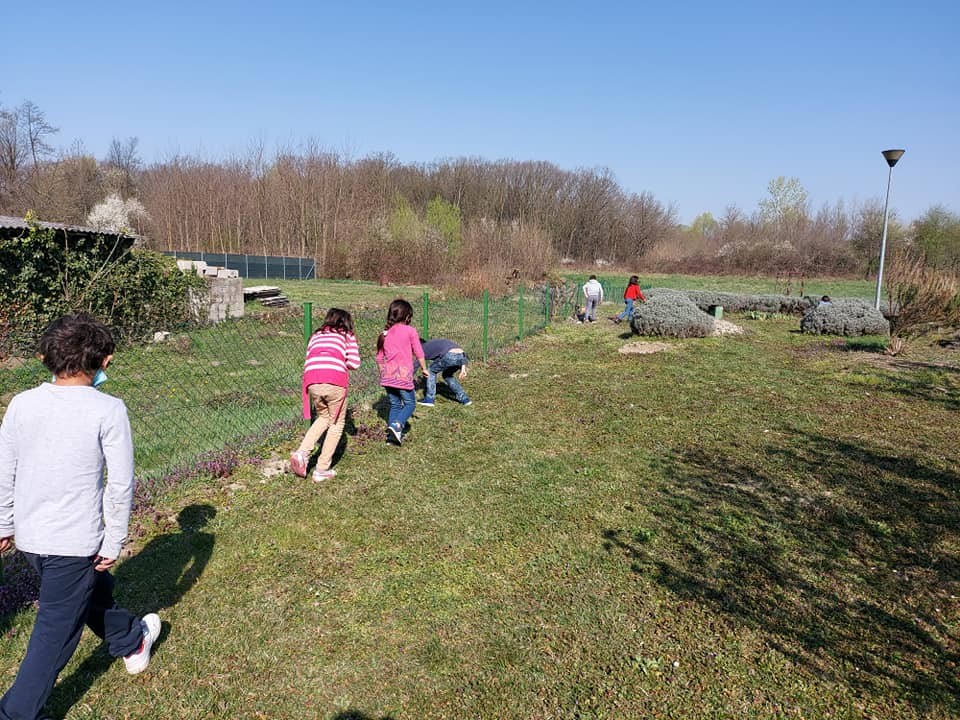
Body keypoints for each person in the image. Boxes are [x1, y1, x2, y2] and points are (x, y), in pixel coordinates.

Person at [0, 313, 161, 720]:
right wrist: (114, 540)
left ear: (46, 356)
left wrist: (3, 524)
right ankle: (16, 712)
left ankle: (129, 639)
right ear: (103, 360)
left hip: (31, 540)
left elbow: (5, 468)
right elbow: (120, 483)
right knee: (54, 633)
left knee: (87, 593)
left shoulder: (21, 403)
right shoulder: (109, 410)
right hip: (72, 544)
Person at [290, 308, 361, 482]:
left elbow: (309, 357)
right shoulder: (346, 335)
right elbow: (354, 362)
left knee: (323, 417)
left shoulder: (315, 335)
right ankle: (321, 469)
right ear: (346, 322)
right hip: (334, 380)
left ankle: (302, 453)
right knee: (336, 423)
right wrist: (340, 362)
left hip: (312, 380)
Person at [376, 299, 428, 446]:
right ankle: (397, 425)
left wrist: (382, 374)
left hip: (387, 377)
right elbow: (418, 351)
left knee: (395, 404)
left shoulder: (384, 334)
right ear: (407, 317)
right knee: (410, 403)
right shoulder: (410, 331)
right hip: (403, 376)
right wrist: (424, 368)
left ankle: (392, 437)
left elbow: (379, 358)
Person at [417, 338, 471, 407]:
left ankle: (429, 399)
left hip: (450, 355)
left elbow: (416, 365)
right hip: (461, 356)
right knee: (447, 375)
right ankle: (465, 399)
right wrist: (463, 368)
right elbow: (461, 352)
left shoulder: (423, 348)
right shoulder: (433, 345)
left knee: (431, 371)